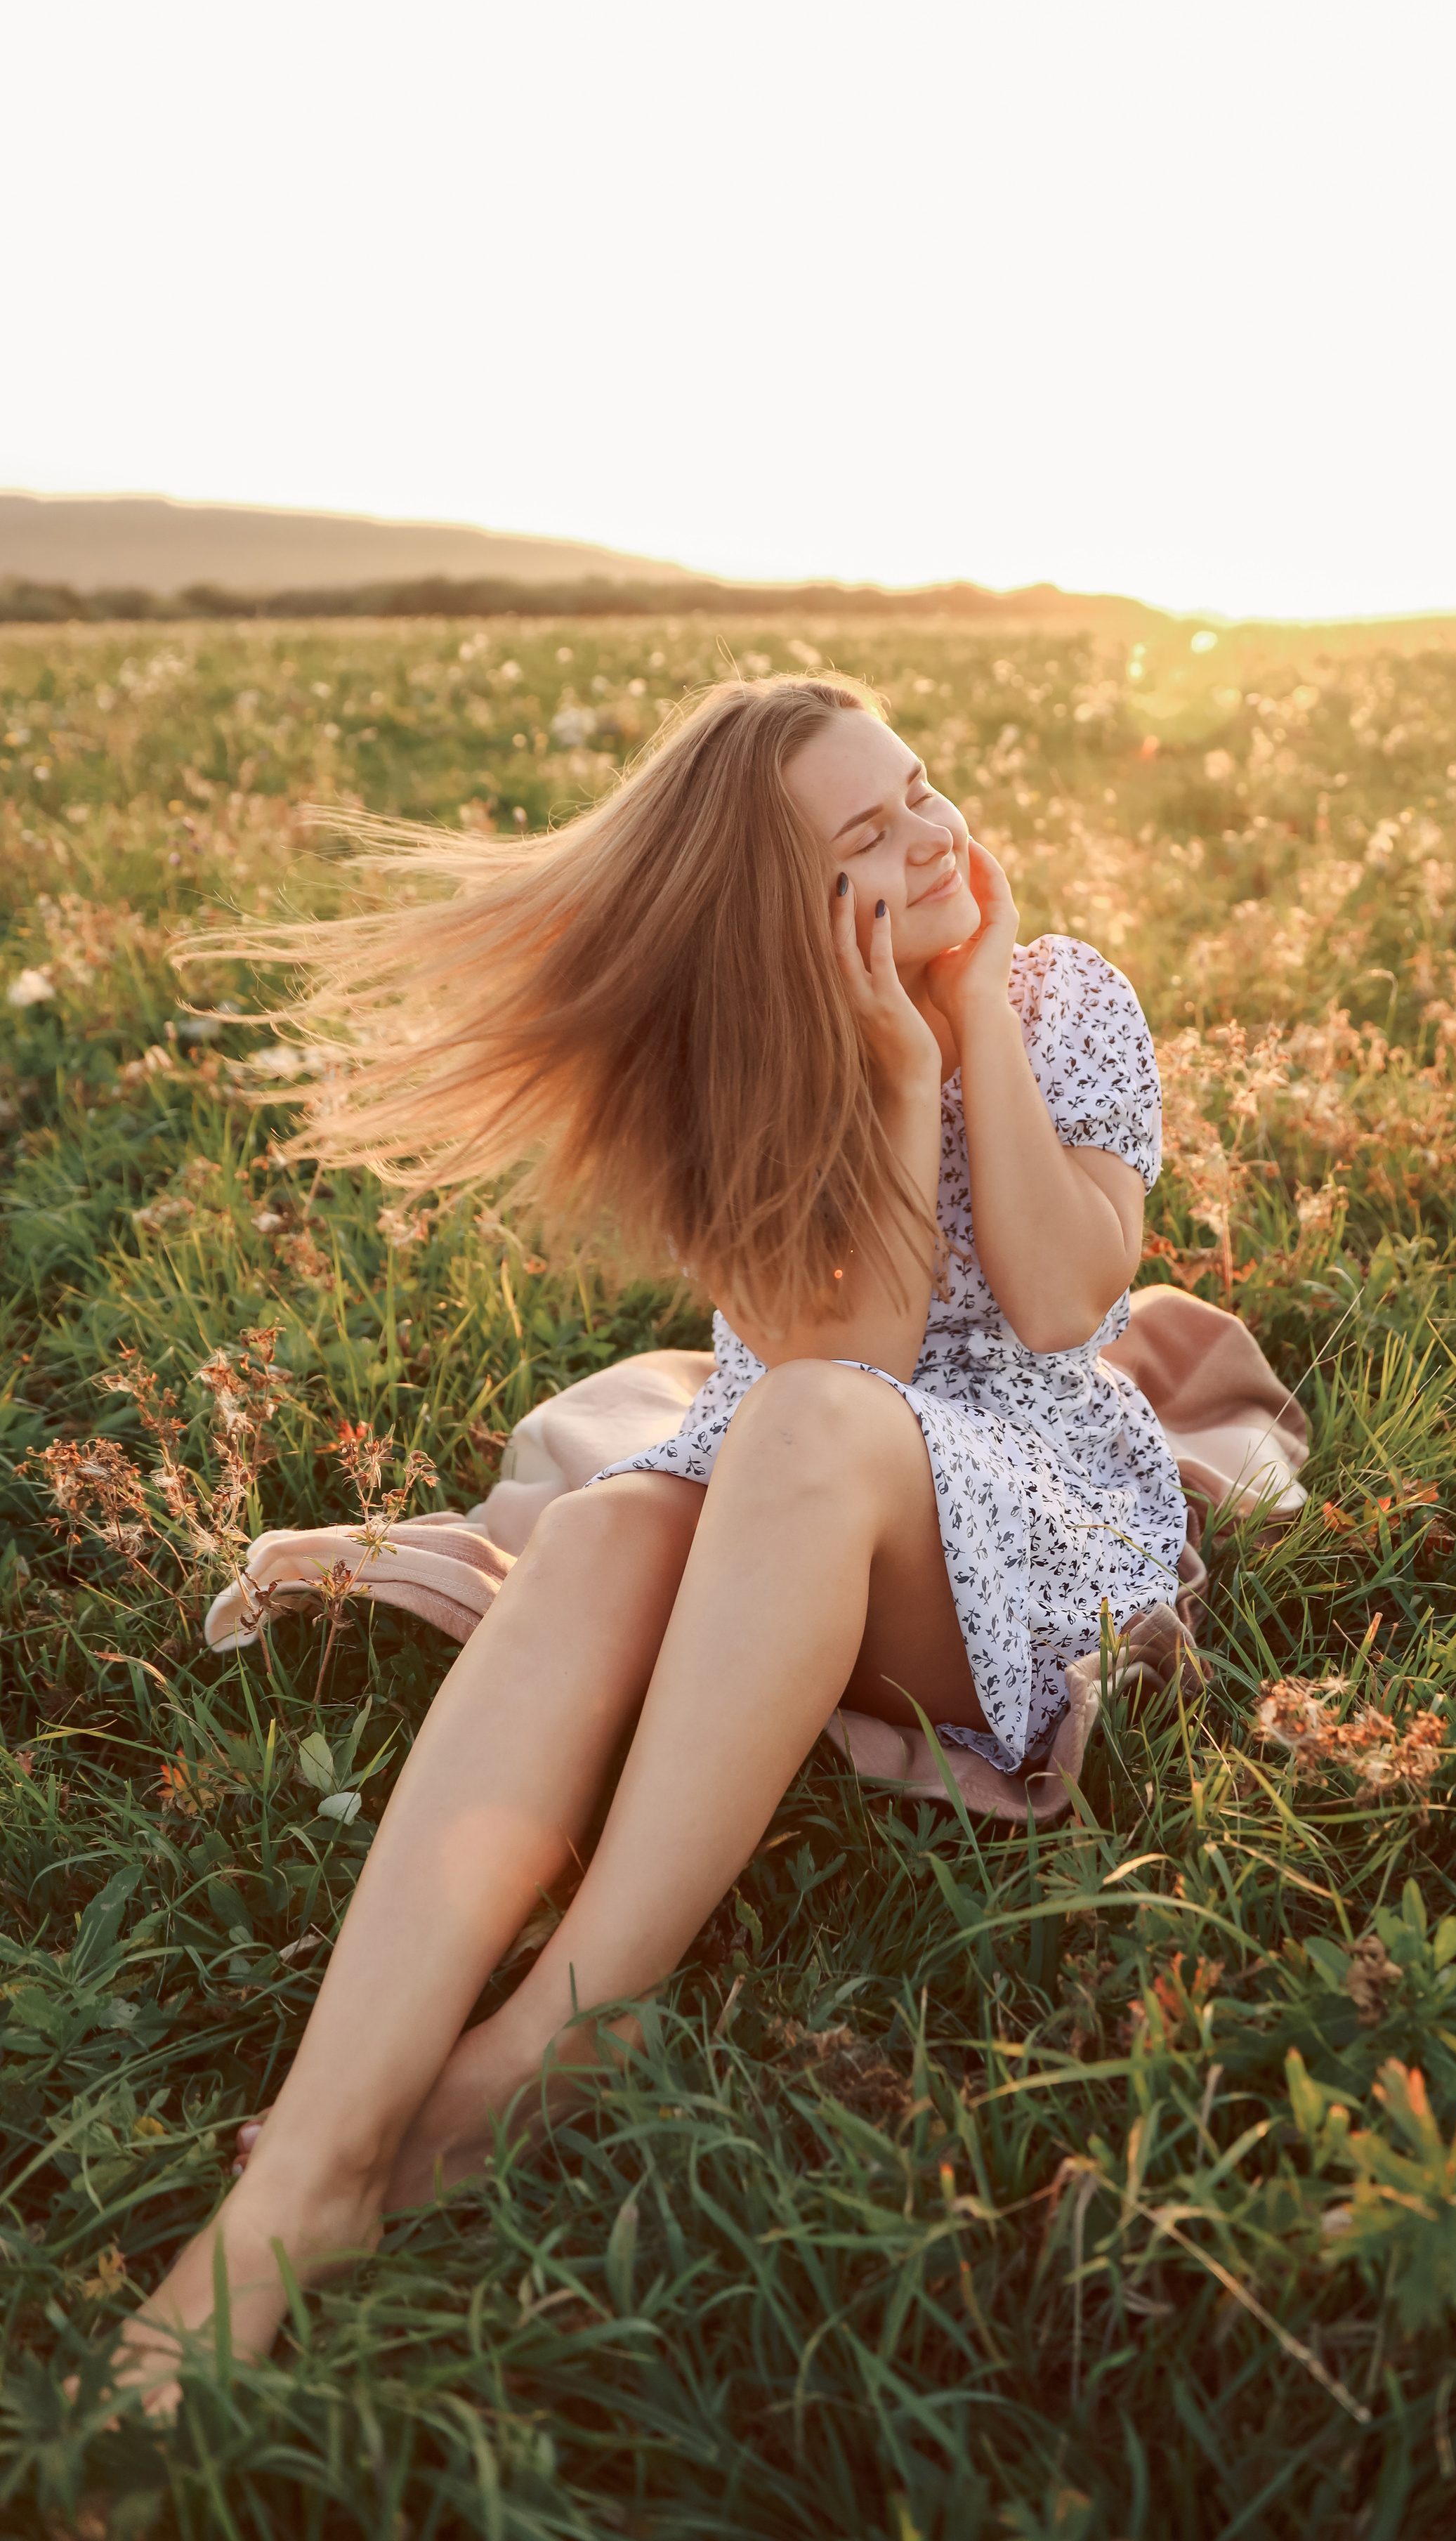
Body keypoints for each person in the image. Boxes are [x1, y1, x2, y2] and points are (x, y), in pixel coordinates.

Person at [107, 674, 1186, 2406]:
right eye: (867, 835)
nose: (930, 834)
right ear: (785, 903)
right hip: (790, 1444)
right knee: (611, 1531)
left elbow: (1059, 1301)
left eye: (920, 786)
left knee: (799, 1432)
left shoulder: (1064, 999)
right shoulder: (745, 1064)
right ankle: (293, 2188)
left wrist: (965, 1006)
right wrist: (886, 1071)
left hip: (1019, 1490)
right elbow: (848, 1350)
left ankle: (557, 2037)